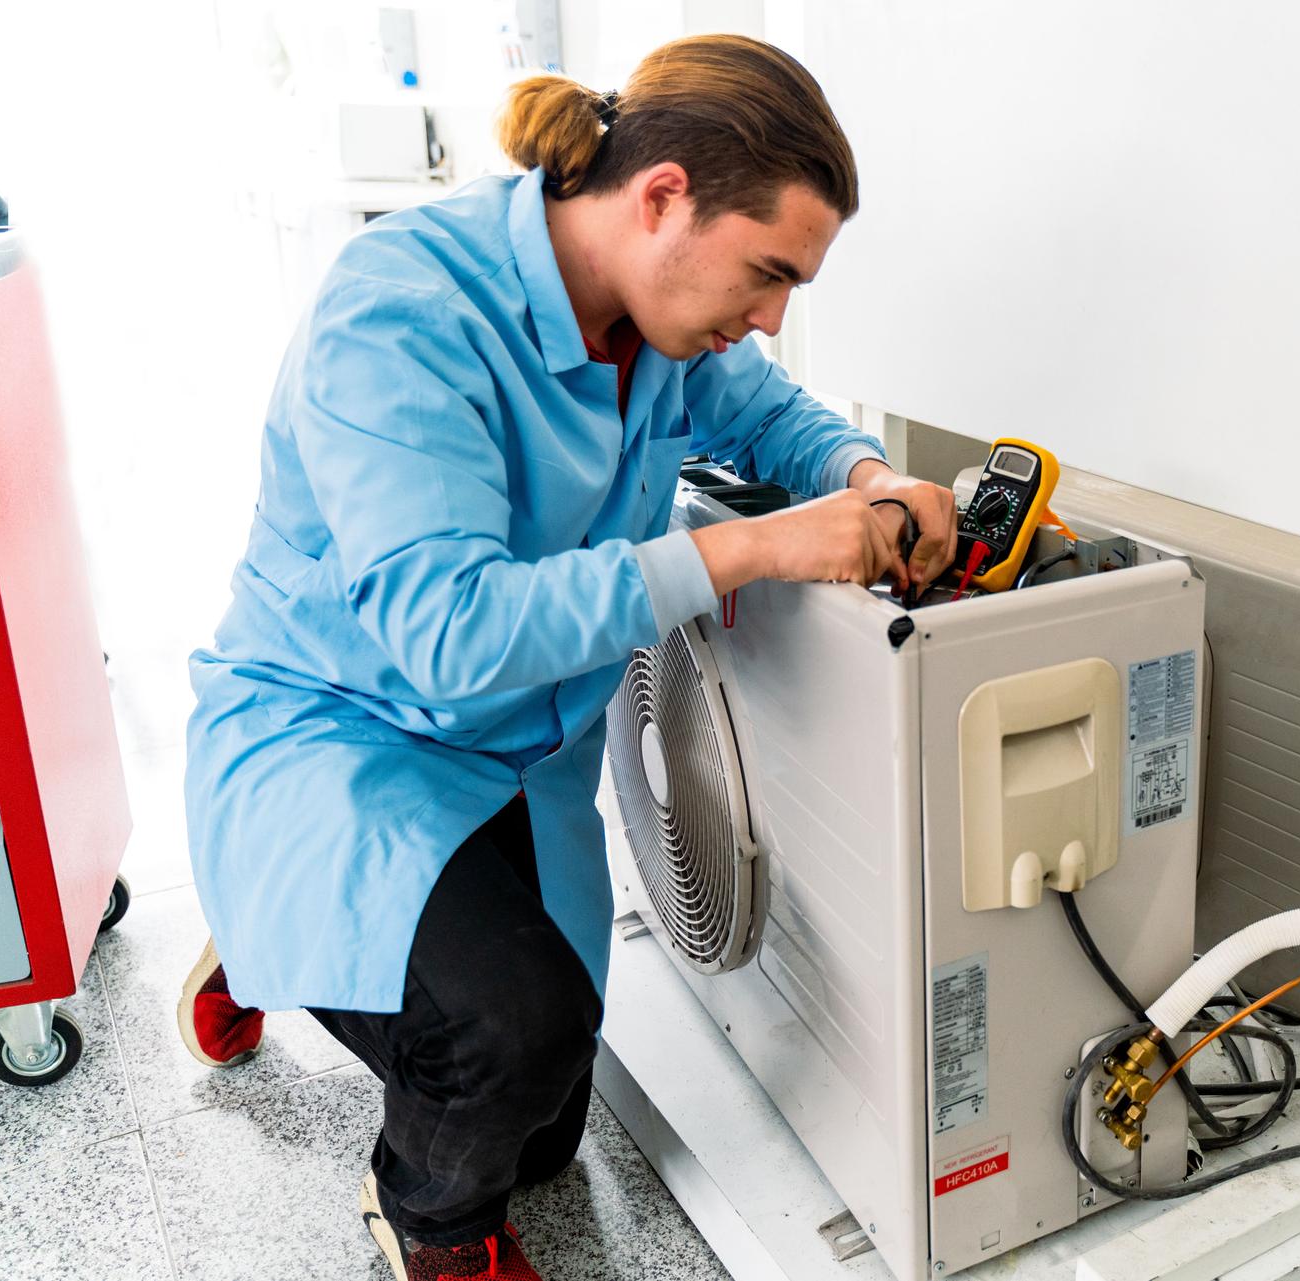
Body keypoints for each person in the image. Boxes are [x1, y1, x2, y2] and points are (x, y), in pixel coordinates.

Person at [176, 34, 956, 1279]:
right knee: (508, 1036)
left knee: (543, 1132)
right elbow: (448, 639)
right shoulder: (401, 319)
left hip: (517, 755)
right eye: (766, 274)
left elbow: (763, 409)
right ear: (664, 201)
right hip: (348, 733)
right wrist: (750, 556)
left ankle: (309, 939)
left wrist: (867, 477)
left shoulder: (650, 313)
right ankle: (427, 1222)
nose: (768, 316)